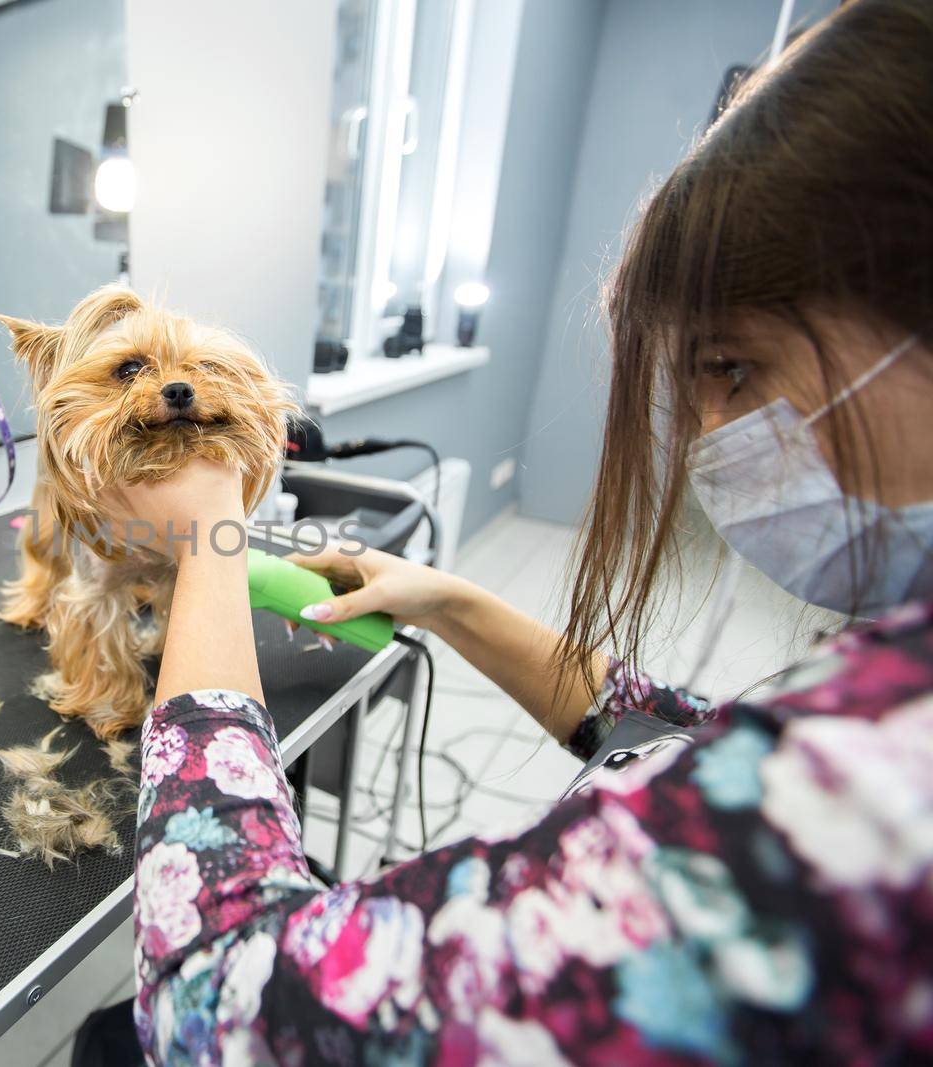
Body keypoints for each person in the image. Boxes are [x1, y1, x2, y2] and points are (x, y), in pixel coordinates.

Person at [110, 1, 932, 1062]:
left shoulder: (866, 806)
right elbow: (674, 737)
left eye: (733, 369)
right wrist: (450, 599)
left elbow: (211, 1000)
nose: (709, 439)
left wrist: (211, 541)